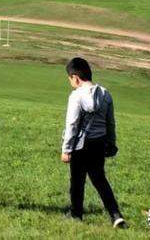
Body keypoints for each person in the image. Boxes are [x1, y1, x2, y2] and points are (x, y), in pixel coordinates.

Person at [61, 57, 127, 229]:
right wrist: (111, 143)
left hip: (80, 145)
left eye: (70, 79)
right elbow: (110, 122)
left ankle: (76, 215)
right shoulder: (105, 94)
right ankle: (115, 215)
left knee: (77, 181)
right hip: (99, 144)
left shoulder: (76, 96)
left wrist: (66, 149)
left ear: (75, 77)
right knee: (100, 180)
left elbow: (72, 125)